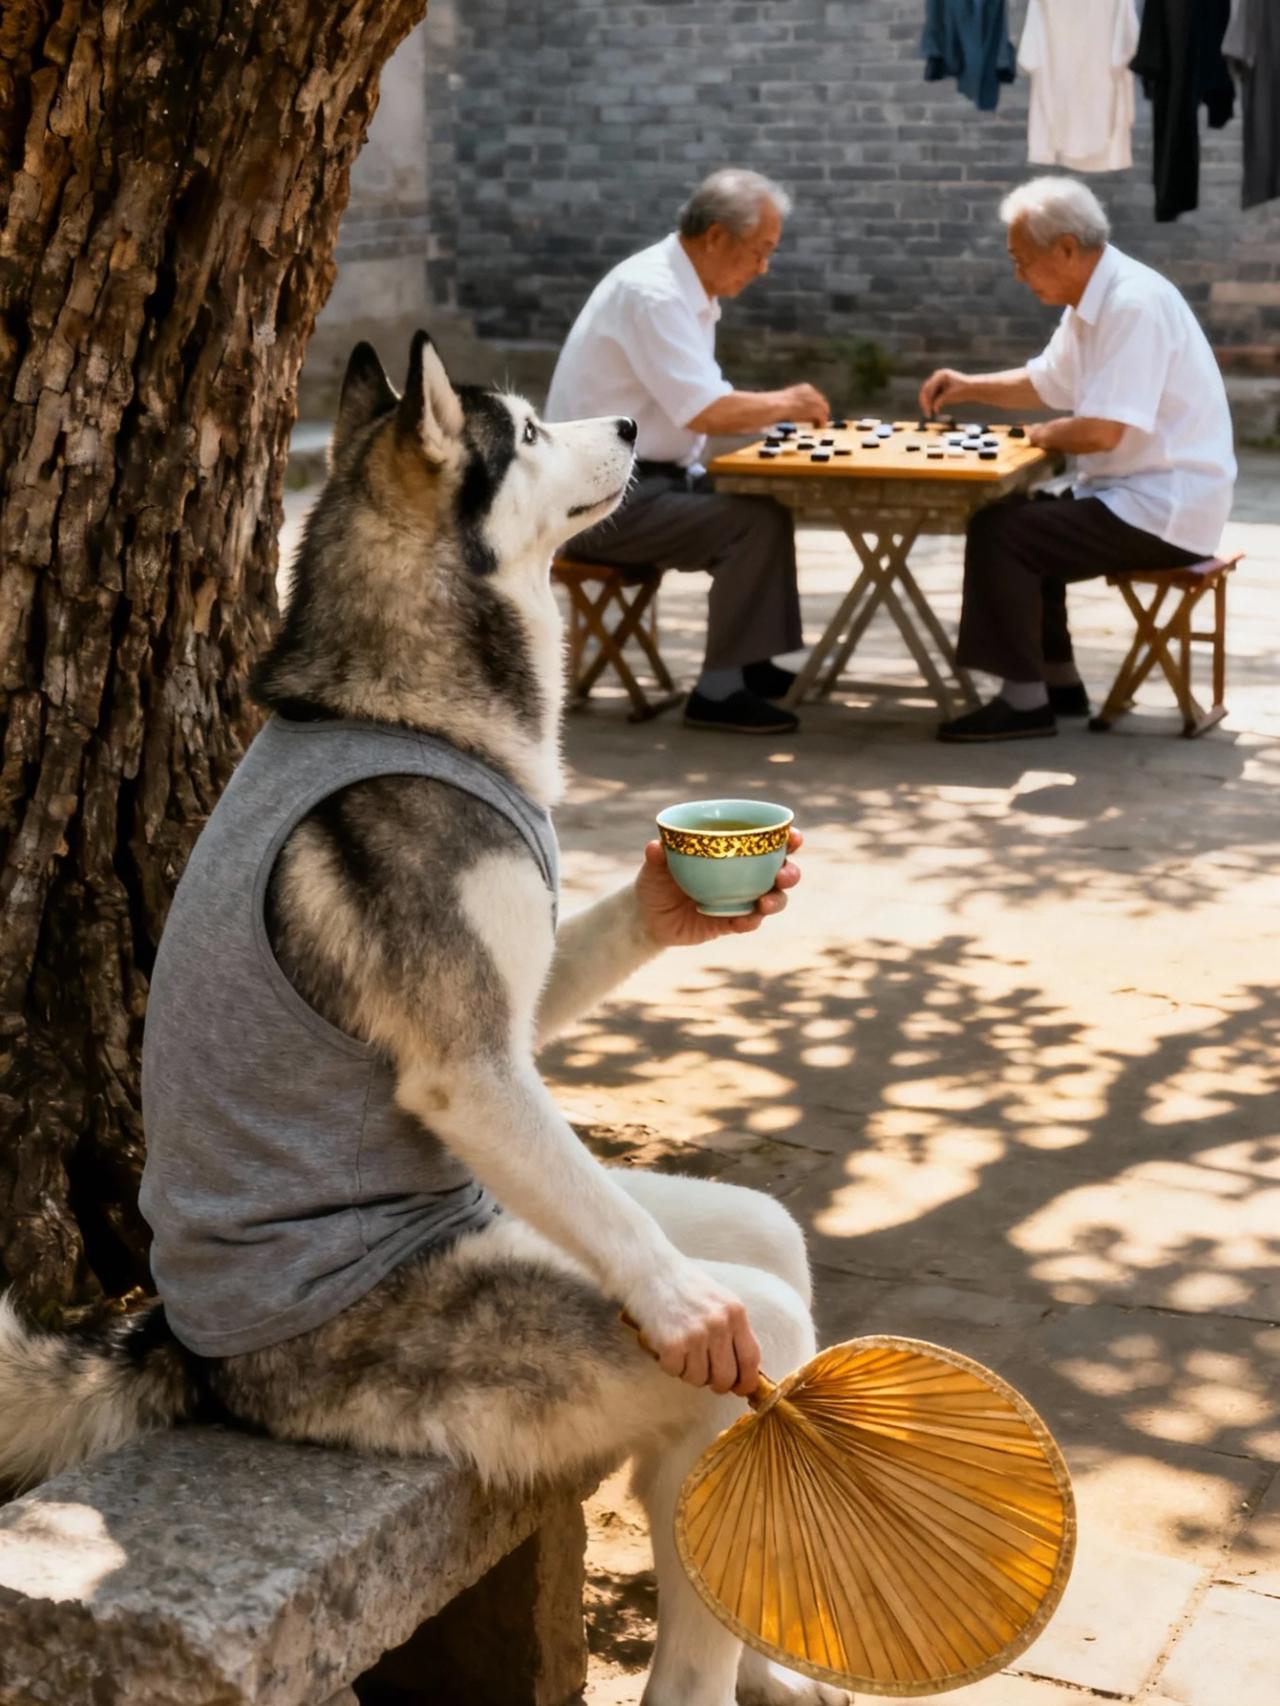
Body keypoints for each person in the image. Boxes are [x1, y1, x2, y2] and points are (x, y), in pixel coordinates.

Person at [919, 176, 1236, 743]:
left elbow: (1101, 431)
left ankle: (1023, 702)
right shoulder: (1093, 299)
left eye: (1023, 261)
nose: (1019, 275)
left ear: (1066, 247)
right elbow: (1047, 381)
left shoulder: (1132, 304)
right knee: (1027, 514)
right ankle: (1057, 682)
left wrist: (1042, 437)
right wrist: (968, 385)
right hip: (1136, 496)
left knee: (1004, 531)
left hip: (1166, 508)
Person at [545, 168, 830, 735]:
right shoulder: (653, 294)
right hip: (596, 502)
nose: (763, 268)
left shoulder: (683, 290)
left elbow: (692, 414)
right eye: (759, 252)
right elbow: (704, 409)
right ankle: (719, 691)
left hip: (645, 481)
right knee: (749, 523)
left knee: (760, 500)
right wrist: (787, 402)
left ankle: (748, 663)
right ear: (718, 237)